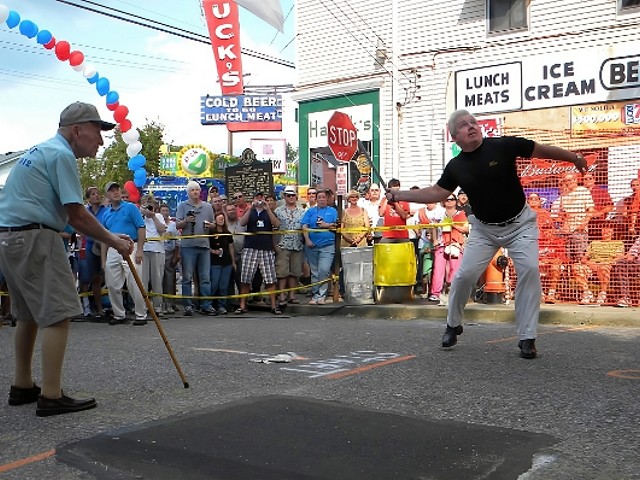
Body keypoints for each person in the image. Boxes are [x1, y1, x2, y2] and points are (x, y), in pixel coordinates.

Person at [386, 109, 587, 359]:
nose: (471, 126)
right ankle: (453, 324)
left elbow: (542, 150)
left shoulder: (503, 145)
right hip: (484, 229)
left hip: (520, 225)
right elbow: (436, 192)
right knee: (463, 276)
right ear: (454, 136)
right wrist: (400, 194)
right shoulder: (456, 166)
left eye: (473, 122)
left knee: (529, 270)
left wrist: (574, 157)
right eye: (463, 125)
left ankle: (527, 337)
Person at [0, 101, 133, 416]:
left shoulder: (40, 151)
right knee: (57, 314)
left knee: (29, 314)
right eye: (97, 131)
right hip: (35, 236)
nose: (101, 140)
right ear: (78, 129)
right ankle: (51, 394)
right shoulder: (60, 155)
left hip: (9, 236)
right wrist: (114, 241)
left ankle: (22, 385)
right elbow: (76, 215)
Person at [101, 182, 149, 326]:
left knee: (135, 281)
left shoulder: (130, 208)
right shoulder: (106, 214)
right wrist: (103, 259)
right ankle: (119, 314)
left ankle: (141, 314)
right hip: (113, 249)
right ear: (108, 195)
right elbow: (104, 237)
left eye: (117, 190)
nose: (115, 193)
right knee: (112, 283)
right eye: (112, 191)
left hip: (130, 245)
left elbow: (141, 227)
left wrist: (139, 249)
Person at [235, 192, 282, 314]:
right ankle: (242, 305)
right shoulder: (250, 211)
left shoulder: (269, 212)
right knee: (245, 278)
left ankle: (273, 305)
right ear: (253, 199)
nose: (259, 200)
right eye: (257, 198)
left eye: (261, 198)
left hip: (266, 248)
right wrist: (251, 208)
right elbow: (242, 223)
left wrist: (267, 209)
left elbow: (277, 224)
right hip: (250, 247)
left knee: (270, 278)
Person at [176, 181, 216, 316]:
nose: (195, 192)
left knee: (205, 277)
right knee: (187, 277)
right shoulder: (182, 206)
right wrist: (186, 221)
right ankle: (188, 306)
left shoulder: (208, 207)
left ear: (200, 192)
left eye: (197, 190)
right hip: (188, 246)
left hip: (204, 245)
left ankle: (206, 305)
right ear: (188, 192)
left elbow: (214, 225)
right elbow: (177, 225)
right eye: (192, 190)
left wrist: (210, 226)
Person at [302, 189, 338, 305]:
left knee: (324, 270)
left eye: (324, 197)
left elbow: (336, 224)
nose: (322, 199)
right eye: (320, 197)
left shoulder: (332, 211)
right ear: (316, 199)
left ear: (327, 199)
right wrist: (307, 239)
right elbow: (304, 225)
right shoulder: (310, 211)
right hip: (312, 245)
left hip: (327, 245)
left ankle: (322, 294)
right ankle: (315, 294)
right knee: (315, 272)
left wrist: (325, 225)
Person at [77, 186, 107, 320]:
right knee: (94, 277)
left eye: (98, 193)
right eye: (93, 194)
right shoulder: (85, 212)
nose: (96, 196)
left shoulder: (106, 210)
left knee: (109, 276)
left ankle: (114, 306)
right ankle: (98, 308)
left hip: (106, 245)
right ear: (88, 198)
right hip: (90, 246)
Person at [274, 185, 305, 307]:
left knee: (295, 272)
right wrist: (275, 245)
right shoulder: (278, 211)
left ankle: (292, 295)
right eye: (288, 195)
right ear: (284, 197)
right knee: (282, 272)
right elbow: (274, 228)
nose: (291, 197)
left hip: (297, 244)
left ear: (296, 196)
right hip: (283, 244)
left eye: (293, 195)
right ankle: (282, 295)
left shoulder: (302, 211)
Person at [139, 193, 167, 317]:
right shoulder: (139, 216)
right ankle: (143, 307)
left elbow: (162, 229)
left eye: (150, 204)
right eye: (145, 204)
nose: (148, 207)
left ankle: (157, 307)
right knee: (143, 280)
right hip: (144, 249)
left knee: (157, 280)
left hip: (157, 250)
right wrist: (143, 214)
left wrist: (153, 216)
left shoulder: (159, 216)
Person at [207, 212, 235, 314]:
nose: (221, 220)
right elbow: (206, 245)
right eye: (219, 219)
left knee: (224, 286)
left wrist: (233, 262)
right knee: (214, 285)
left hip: (226, 262)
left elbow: (231, 247)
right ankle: (209, 304)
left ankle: (222, 305)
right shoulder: (211, 232)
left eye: (222, 219)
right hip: (215, 262)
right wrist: (213, 251)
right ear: (215, 220)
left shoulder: (227, 233)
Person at [160, 204, 180, 314]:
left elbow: (177, 241)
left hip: (170, 253)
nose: (165, 212)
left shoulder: (173, 225)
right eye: (163, 210)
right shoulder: (157, 224)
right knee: (160, 279)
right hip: (160, 252)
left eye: (167, 210)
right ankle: (161, 304)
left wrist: (177, 255)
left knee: (170, 279)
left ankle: (170, 303)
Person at [378, 179, 411, 243]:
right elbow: (381, 213)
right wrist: (387, 199)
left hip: (402, 235)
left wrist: (395, 202)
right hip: (388, 235)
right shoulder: (384, 200)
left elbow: (404, 215)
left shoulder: (404, 200)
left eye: (397, 190)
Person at [613, 233, 640, 307]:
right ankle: (625, 298)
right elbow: (631, 253)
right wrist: (630, 256)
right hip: (637, 264)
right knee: (621, 264)